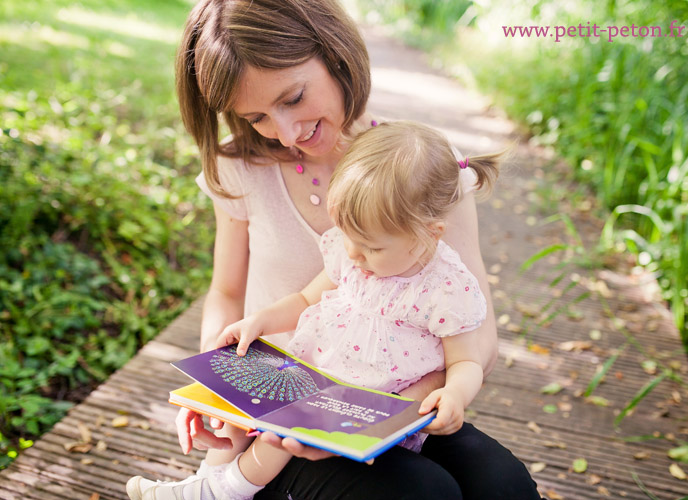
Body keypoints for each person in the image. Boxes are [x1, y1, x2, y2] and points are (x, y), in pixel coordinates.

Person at [129, 0, 541, 498]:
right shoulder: (241, 167)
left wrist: (372, 417)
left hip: (402, 396)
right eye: (256, 116)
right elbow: (227, 291)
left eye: (295, 97)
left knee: (503, 485)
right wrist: (220, 389)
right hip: (276, 411)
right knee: (421, 494)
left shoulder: (423, 173)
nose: (286, 133)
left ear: (334, 53)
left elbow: (477, 337)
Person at [128, 120, 502, 499]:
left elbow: (465, 362)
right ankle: (207, 484)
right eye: (348, 238)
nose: (354, 255)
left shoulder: (446, 288)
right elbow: (305, 300)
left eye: (371, 247)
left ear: (429, 233)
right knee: (259, 415)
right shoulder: (351, 254)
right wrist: (258, 321)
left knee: (279, 435)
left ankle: (221, 491)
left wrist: (455, 394)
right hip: (318, 380)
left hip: (374, 409)